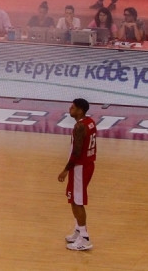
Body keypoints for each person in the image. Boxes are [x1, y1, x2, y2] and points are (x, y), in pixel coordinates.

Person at [58, 98, 97, 252]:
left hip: (80, 167)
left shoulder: (80, 126)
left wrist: (66, 169)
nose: (70, 109)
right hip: (87, 164)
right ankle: (78, 231)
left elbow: (76, 152)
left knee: (76, 201)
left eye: (73, 107)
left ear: (80, 110)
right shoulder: (90, 122)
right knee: (74, 198)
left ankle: (85, 238)